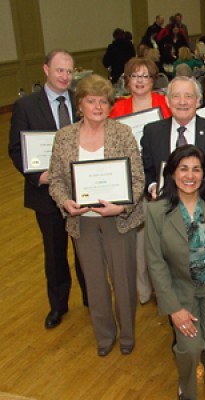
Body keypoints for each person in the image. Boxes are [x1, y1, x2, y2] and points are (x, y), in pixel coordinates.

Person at [48, 74, 144, 356]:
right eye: (91, 101)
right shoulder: (64, 137)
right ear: (80, 105)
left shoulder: (122, 133)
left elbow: (137, 179)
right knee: (95, 283)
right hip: (83, 223)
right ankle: (104, 336)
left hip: (119, 220)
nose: (98, 106)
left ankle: (127, 334)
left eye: (103, 101)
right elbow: (55, 180)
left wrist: (122, 206)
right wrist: (66, 202)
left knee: (124, 281)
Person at [145, 145, 205, 400]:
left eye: (196, 169)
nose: (190, 175)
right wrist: (174, 309)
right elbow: (155, 263)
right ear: (172, 173)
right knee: (189, 348)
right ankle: (186, 388)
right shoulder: (155, 211)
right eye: (183, 169)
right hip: (181, 290)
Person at [8, 49, 88, 329]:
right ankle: (58, 305)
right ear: (45, 70)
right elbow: (17, 149)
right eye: (60, 71)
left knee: (86, 250)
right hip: (45, 193)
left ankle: (92, 299)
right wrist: (37, 176)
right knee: (55, 252)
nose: (66, 76)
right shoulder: (27, 106)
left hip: (83, 189)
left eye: (70, 71)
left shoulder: (82, 101)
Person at [109, 57, 171, 305]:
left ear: (153, 80)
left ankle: (164, 287)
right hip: (131, 177)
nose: (140, 81)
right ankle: (143, 289)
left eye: (145, 76)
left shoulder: (164, 103)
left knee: (164, 236)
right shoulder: (118, 109)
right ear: (127, 80)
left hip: (159, 174)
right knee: (139, 238)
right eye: (135, 76)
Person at [141, 76, 205, 198]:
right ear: (167, 101)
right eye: (176, 96)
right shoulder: (152, 132)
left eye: (188, 96)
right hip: (164, 207)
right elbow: (146, 172)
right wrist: (153, 187)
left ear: (198, 101)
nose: (182, 102)